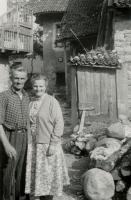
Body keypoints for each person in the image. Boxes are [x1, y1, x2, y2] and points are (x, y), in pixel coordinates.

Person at [25, 74, 70, 200]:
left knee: (48, 179)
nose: (38, 88)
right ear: (32, 86)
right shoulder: (31, 101)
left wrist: (53, 143)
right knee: (39, 180)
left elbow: (59, 123)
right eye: (35, 86)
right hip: (33, 145)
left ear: (45, 87)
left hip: (47, 145)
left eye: (41, 86)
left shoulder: (51, 101)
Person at [0, 65, 30, 200]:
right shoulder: (4, 96)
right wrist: (6, 145)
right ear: (11, 78)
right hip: (9, 135)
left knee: (22, 171)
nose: (19, 81)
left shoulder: (27, 96)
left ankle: (19, 197)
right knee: (8, 171)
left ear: (26, 79)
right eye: (16, 78)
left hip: (24, 136)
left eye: (22, 78)